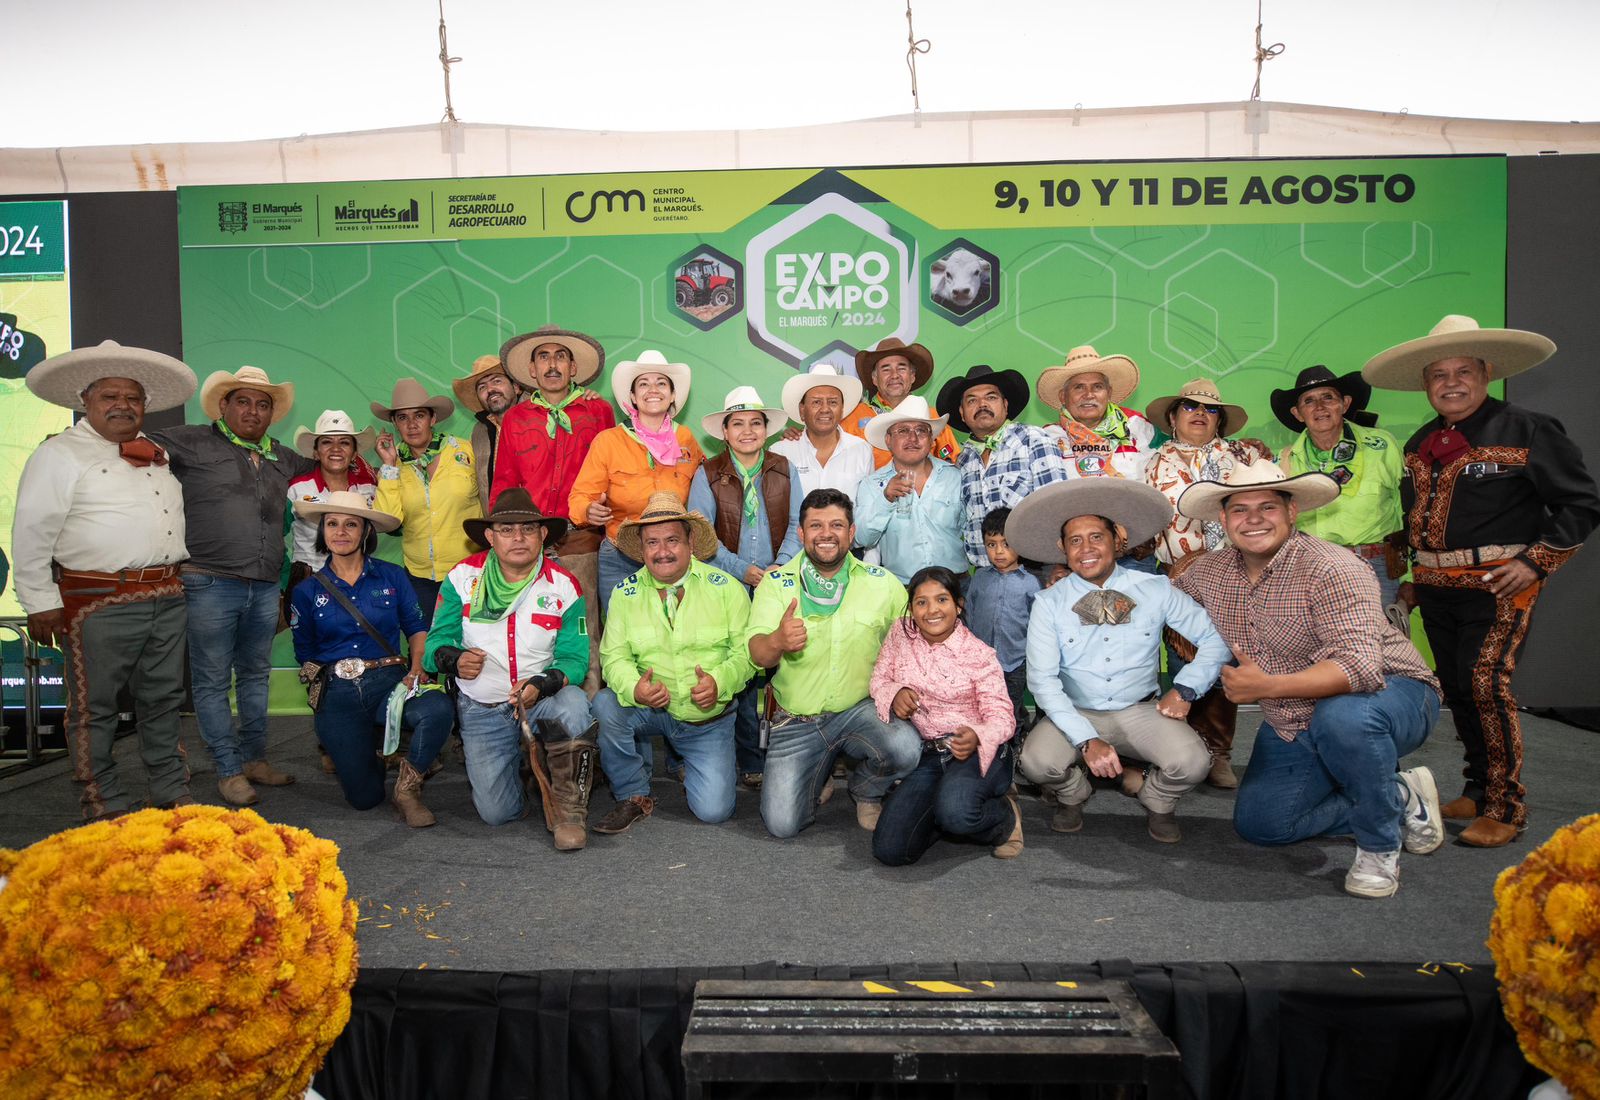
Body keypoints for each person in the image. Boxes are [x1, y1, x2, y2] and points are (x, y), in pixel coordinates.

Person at [1364, 315, 1600, 848]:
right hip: (1435, 588)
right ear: (1426, 383)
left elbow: (1581, 504)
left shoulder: (1530, 429)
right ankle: (1475, 786)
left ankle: (1505, 805)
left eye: (1463, 370)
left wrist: (1535, 563)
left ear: (1485, 373)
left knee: (1486, 684)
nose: (1451, 382)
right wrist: (1412, 575)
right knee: (1457, 688)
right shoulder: (1421, 442)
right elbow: (1425, 517)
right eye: (1439, 373)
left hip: (1499, 584)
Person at [1172, 462, 1444, 897]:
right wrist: (1076, 585)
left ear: (1292, 511)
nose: (1254, 518)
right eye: (1240, 509)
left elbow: (1360, 668)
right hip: (1292, 714)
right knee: (1263, 825)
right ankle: (1396, 794)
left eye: (1267, 507)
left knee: (1345, 718)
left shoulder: (1334, 567)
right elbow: (1150, 601)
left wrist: (1264, 688)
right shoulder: (1210, 571)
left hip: (1391, 693)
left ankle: (1378, 845)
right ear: (1223, 520)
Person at [12, 341, 196, 820]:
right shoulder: (60, 454)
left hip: (166, 594)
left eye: (132, 397)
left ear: (145, 405)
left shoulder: (155, 452)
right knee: (94, 708)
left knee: (164, 700)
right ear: (85, 401)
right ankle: (104, 800)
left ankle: (171, 793)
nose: (122, 405)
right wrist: (39, 601)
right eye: (109, 396)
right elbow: (32, 530)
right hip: (99, 599)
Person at [1008, 479, 1226, 843]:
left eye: (1096, 536)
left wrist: (1186, 689)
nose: (1086, 549)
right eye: (1075, 541)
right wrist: (1086, 739)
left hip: (1139, 710)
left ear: (1118, 538)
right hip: (1076, 711)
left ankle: (1156, 798)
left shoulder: (1154, 589)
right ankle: (1074, 793)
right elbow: (1043, 682)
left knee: (1193, 763)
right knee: (1035, 763)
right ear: (1062, 548)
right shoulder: (1049, 603)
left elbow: (1215, 639)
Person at [151, 364, 316, 806]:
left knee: (255, 677)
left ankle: (254, 759)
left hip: (264, 585)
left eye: (263, 404)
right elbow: (126, 445)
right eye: (243, 401)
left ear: (272, 413)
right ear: (223, 405)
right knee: (210, 681)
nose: (253, 411)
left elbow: (329, 467)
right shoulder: (190, 440)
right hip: (208, 580)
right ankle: (227, 770)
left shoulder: (284, 457)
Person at [424, 489, 597, 848]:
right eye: (506, 529)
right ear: (490, 536)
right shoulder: (461, 579)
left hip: (541, 699)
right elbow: (433, 649)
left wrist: (542, 682)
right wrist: (453, 660)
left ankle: (568, 811)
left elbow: (576, 661)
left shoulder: (564, 585)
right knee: (495, 813)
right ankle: (530, 774)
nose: (518, 538)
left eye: (528, 529)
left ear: (542, 534)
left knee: (575, 705)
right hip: (483, 705)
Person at [745, 488, 921, 838]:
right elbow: (756, 655)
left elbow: (911, 649)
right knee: (782, 825)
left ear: (852, 532)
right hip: (797, 718)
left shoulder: (883, 584)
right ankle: (818, 771)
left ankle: (866, 790)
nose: (826, 534)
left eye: (837, 525)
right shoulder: (776, 585)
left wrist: (902, 687)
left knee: (905, 748)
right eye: (816, 525)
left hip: (860, 709)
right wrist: (778, 641)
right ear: (801, 533)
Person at [591, 494, 754, 833]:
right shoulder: (624, 593)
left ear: (691, 542)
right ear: (642, 548)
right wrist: (636, 688)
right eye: (652, 542)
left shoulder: (727, 589)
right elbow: (613, 656)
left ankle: (692, 761)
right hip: (649, 708)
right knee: (605, 704)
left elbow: (746, 654)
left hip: (705, 718)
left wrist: (719, 683)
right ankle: (632, 794)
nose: (662, 551)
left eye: (672, 540)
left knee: (713, 811)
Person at [288, 491, 453, 826]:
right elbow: (304, 651)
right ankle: (380, 750)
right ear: (323, 533)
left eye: (351, 524)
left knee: (438, 709)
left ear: (365, 532)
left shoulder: (393, 576)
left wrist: (418, 669)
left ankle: (408, 789)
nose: (341, 531)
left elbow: (417, 629)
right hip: (338, 693)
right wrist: (319, 693)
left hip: (389, 682)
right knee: (364, 799)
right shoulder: (307, 591)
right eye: (332, 524)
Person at [1142, 378, 1273, 789]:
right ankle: (1184, 749)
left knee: (1225, 662)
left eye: (1210, 409)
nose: (1200, 414)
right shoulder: (1151, 465)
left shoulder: (1245, 458)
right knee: (1184, 660)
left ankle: (1217, 751)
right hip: (1179, 573)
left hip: (1235, 570)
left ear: (1221, 420)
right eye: (1189, 407)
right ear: (1172, 417)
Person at [686, 385, 802, 787]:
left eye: (756, 423)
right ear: (725, 431)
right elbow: (701, 535)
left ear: (767, 429)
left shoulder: (785, 468)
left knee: (777, 671)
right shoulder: (708, 472)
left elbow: (797, 525)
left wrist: (780, 567)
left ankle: (785, 757)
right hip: (726, 583)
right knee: (737, 667)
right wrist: (743, 571)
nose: (748, 431)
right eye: (738, 424)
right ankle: (746, 759)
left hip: (776, 582)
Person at [869, 566, 1023, 865]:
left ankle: (1003, 817)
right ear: (911, 607)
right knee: (891, 851)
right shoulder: (901, 634)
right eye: (921, 602)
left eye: (942, 600)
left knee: (958, 812)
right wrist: (895, 691)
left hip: (977, 753)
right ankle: (945, 816)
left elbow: (1004, 717)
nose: (931, 610)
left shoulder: (979, 654)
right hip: (928, 754)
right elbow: (878, 679)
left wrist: (978, 734)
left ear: (958, 605)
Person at [489, 325, 613, 693]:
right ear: (532, 370)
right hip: (529, 542)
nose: (552, 365)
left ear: (574, 368)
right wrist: (505, 537)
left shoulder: (598, 411)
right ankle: (530, 710)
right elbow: (504, 484)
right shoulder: (516, 418)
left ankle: (587, 723)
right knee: (530, 630)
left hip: (582, 542)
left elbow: (612, 472)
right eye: (543, 357)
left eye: (561, 356)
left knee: (586, 628)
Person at [568, 349, 706, 615]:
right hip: (620, 557)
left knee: (675, 632)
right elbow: (580, 497)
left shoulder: (687, 439)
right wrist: (588, 510)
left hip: (674, 556)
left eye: (661, 383)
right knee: (623, 636)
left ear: (673, 394)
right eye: (643, 383)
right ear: (632, 396)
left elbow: (709, 487)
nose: (652, 390)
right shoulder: (608, 441)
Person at [1271, 364, 1406, 608]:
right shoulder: (1283, 460)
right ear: (1297, 413)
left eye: (1328, 397)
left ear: (1345, 403)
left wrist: (1412, 576)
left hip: (1375, 568)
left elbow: (1412, 506)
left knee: (1383, 645)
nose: (1320, 407)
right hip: (1310, 571)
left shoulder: (1382, 445)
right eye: (1309, 401)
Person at [936, 363, 1071, 570]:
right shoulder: (963, 460)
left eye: (991, 397)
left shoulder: (1033, 439)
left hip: (1035, 569)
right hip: (984, 572)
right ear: (962, 413)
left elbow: (1057, 506)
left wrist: (1058, 565)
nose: (982, 404)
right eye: (972, 400)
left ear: (1005, 405)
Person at [372, 378, 481, 620]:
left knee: (473, 647)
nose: (411, 425)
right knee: (425, 648)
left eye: (419, 415)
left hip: (470, 571)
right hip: (420, 578)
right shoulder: (393, 466)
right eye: (402, 418)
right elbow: (388, 520)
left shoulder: (465, 450)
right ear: (394, 424)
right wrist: (389, 465)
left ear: (432, 419)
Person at [854, 396, 967, 583]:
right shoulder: (872, 484)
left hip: (956, 585)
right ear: (888, 440)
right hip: (902, 589)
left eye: (921, 431)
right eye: (903, 431)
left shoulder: (954, 477)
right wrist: (886, 498)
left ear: (931, 440)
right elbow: (862, 538)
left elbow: (972, 530)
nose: (913, 438)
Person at [964, 507, 1041, 738]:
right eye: (991, 544)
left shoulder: (1031, 584)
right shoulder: (979, 579)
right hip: (982, 663)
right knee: (984, 706)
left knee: (1010, 708)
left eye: (1006, 544)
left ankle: (1012, 748)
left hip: (1015, 662)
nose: (999, 552)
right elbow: (970, 615)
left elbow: (1036, 626)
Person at [1039, 345, 1155, 481]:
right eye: (1079, 387)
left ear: (1109, 393)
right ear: (1063, 396)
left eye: (1097, 387)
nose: (1089, 395)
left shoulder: (1138, 427)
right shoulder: (1047, 438)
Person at [769, 363, 875, 510]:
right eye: (816, 402)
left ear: (842, 409)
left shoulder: (862, 450)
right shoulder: (780, 452)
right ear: (802, 410)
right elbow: (774, 510)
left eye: (833, 402)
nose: (825, 409)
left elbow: (866, 511)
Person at [842, 338, 961, 467]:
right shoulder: (853, 418)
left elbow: (952, 465)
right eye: (886, 369)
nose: (894, 375)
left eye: (901, 368)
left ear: (912, 376)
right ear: (875, 379)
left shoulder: (933, 417)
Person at [286, 409, 378, 577]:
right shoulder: (295, 488)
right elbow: (271, 533)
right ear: (316, 452)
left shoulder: (368, 488)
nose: (336, 449)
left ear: (354, 454)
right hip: (309, 580)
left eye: (344, 443)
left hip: (358, 581)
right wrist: (284, 577)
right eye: (327, 442)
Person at [453, 352, 525, 512]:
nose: (490, 389)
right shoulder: (479, 433)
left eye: (497, 381)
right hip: (499, 524)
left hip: (541, 523)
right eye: (482, 387)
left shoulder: (541, 417)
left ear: (516, 387)